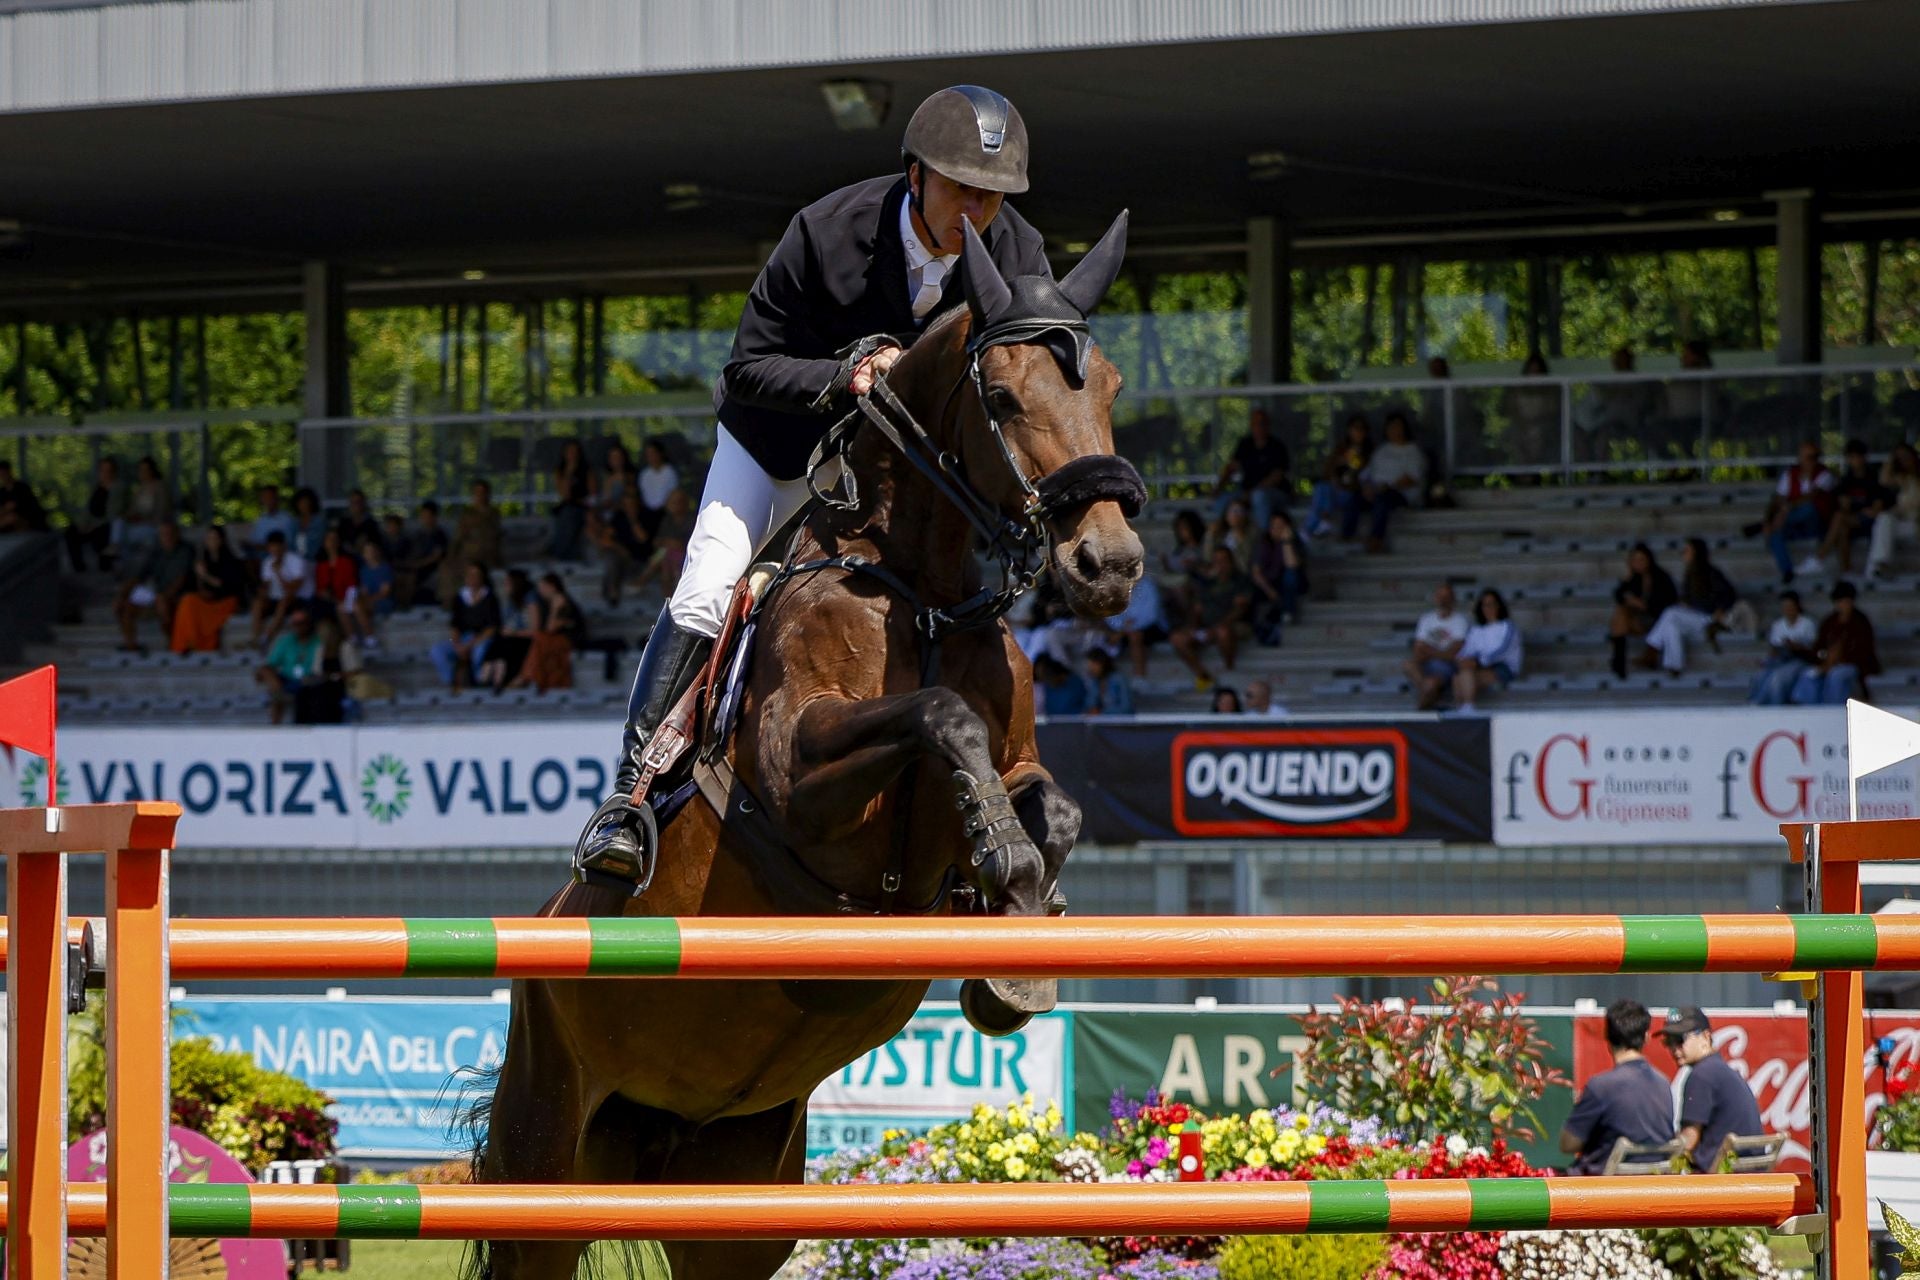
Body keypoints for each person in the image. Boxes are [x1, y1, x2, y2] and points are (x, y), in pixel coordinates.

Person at [576, 84, 1054, 883]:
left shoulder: (1017, 256)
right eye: (963, 187)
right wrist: (845, 374)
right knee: (704, 589)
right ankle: (629, 796)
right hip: (777, 450)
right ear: (915, 178)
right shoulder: (827, 233)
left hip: (900, 487)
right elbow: (746, 368)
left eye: (995, 194)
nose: (980, 209)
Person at [1560, 999, 1675, 1175]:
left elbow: (1568, 1144)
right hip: (1654, 1185)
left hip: (1604, 1190)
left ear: (1608, 1038)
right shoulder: (1664, 1083)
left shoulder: (1601, 1086)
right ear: (1646, 1037)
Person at [1662, 1007, 1765, 1174]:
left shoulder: (1702, 1075)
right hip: (1749, 1181)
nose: (1674, 1048)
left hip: (1720, 1186)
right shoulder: (1721, 1070)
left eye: (1679, 1039)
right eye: (1668, 1042)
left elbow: (1688, 1140)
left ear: (1705, 1037)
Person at [1640, 538, 1738, 674]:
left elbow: (1730, 594)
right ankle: (1674, 666)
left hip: (1709, 618)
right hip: (1696, 617)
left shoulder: (1710, 572)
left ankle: (1652, 648)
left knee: (1670, 613)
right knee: (1671, 625)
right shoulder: (1690, 573)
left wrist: (1720, 609)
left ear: (1696, 553)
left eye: (1686, 550)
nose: (1683, 553)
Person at [1170, 546, 1254, 691]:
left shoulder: (1241, 580)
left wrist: (1217, 627)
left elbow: (1240, 609)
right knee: (1177, 638)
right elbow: (1197, 609)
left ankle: (1229, 670)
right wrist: (1194, 628)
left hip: (1235, 626)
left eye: (1223, 560)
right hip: (1208, 627)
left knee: (1223, 632)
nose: (1220, 564)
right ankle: (1203, 676)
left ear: (1231, 562)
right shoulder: (1208, 583)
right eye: (1216, 561)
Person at [1790, 581, 1879, 705]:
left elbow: (1865, 651)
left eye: (1846, 602)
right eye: (1840, 602)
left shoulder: (1861, 622)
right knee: (1809, 675)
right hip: (1827, 663)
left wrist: (1839, 660)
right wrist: (1823, 660)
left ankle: (1831, 709)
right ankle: (1809, 711)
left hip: (1853, 665)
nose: (1843, 605)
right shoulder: (1829, 622)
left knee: (1836, 676)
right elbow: (1819, 648)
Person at [1759, 439, 1836, 584]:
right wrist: (1769, 519)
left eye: (1815, 457)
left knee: (1810, 508)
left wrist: (1785, 511)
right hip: (1792, 525)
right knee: (1775, 535)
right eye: (1808, 457)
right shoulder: (1790, 474)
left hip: (1816, 524)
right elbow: (1778, 498)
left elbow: (1812, 496)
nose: (1811, 461)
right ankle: (1787, 571)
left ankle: (1777, 524)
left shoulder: (1825, 474)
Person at [112, 520, 193, 652]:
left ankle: (175, 643)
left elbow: (181, 579)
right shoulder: (156, 552)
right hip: (158, 594)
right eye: (163, 534)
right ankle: (131, 645)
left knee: (164, 606)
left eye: (169, 534)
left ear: (177, 534)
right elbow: (139, 576)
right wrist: (122, 594)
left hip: (180, 594)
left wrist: (164, 597)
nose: (166, 537)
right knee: (124, 605)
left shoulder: (186, 551)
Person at [1351, 411, 1426, 551]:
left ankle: (1376, 539)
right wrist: (1367, 487)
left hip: (1400, 494)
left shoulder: (1412, 451)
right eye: (1391, 427)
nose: (1394, 430)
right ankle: (1347, 537)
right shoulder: (1381, 451)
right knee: (1355, 499)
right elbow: (1367, 474)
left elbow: (1411, 479)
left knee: (1383, 500)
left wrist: (1386, 487)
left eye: (1398, 427)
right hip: (1376, 490)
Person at [1814, 439, 1889, 575]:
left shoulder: (1874, 478)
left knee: (1839, 518)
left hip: (1871, 521)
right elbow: (1844, 506)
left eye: (1856, 457)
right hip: (1852, 521)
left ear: (1863, 457)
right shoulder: (1846, 480)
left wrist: (1861, 511)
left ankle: (1820, 557)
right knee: (1841, 527)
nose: (1854, 461)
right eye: (1850, 457)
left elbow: (1877, 508)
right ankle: (1846, 570)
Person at [171, 525, 248, 654]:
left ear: (222, 540)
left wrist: (205, 576)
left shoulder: (231, 560)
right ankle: (186, 644)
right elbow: (192, 586)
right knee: (187, 601)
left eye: (215, 538)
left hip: (225, 602)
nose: (212, 541)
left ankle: (203, 646)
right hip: (206, 602)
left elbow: (228, 586)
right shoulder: (202, 560)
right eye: (209, 538)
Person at [1211, 408, 1290, 533]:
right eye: (1255, 423)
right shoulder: (1245, 444)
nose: (1259, 427)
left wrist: (1252, 493)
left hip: (1275, 493)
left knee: (1259, 497)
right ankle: (1218, 536)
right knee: (1224, 500)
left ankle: (1263, 539)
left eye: (1262, 423)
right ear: (1251, 425)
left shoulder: (1277, 446)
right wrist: (1218, 487)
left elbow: (1277, 476)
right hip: (1246, 491)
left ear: (1268, 425)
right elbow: (1231, 467)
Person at [1608, 543, 1678, 679]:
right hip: (1640, 620)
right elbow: (1618, 595)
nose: (1638, 563)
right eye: (1634, 560)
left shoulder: (1661, 577)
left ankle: (1624, 660)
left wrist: (1644, 605)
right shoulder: (1633, 579)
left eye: (1641, 559)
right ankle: (1619, 660)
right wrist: (1627, 584)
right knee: (1620, 613)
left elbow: (1669, 603)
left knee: (1622, 614)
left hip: (1659, 621)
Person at [431, 562, 501, 690]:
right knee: (437, 651)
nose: (472, 578)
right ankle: (451, 681)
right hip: (463, 639)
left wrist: (470, 645)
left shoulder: (490, 598)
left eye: (476, 575)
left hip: (481, 639)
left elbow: (492, 628)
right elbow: (455, 626)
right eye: (469, 575)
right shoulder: (460, 598)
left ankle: (479, 682)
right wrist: (457, 644)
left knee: (480, 651)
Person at [1452, 588, 1522, 714]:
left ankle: (1468, 707)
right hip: (1479, 665)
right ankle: (1461, 709)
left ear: (1498, 606)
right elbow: (1467, 649)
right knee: (1459, 677)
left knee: (1467, 675)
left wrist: (1479, 661)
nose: (1488, 608)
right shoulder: (1477, 630)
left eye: (1491, 604)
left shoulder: (1507, 626)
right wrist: (1462, 659)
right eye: (1485, 605)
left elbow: (1502, 650)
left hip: (1502, 667)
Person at [255, 605, 326, 726]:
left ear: (308, 624)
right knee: (265, 671)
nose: (298, 627)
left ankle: (279, 695)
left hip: (309, 680)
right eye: (295, 623)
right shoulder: (286, 641)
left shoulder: (318, 641)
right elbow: (271, 664)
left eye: (301, 623)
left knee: (312, 684)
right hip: (287, 680)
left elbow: (321, 667)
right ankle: (276, 716)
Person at [514, 572, 585, 693]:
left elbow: (551, 628)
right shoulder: (548, 603)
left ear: (552, 587)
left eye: (542, 587)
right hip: (556, 638)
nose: (540, 591)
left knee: (540, 639)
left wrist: (554, 609)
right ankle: (528, 676)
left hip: (570, 639)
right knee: (540, 641)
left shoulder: (561, 601)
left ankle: (527, 677)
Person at [1404, 583, 1469, 711]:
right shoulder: (1426, 619)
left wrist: (1429, 650)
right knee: (1408, 665)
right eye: (1440, 596)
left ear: (1453, 599)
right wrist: (1441, 652)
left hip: (1447, 667)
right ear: (1435, 598)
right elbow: (1418, 649)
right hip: (1426, 665)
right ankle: (1432, 694)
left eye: (1446, 596)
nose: (1443, 600)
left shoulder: (1460, 621)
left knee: (1430, 684)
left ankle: (1419, 712)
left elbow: (1454, 652)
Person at [1748, 590, 1818, 706]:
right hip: (1781, 659)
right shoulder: (1778, 625)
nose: (1787, 609)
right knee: (1760, 676)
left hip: (1801, 661)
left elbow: (1812, 648)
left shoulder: (1807, 624)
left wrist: (1796, 646)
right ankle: (1756, 703)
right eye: (1784, 607)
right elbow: (1775, 648)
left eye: (1790, 606)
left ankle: (1776, 707)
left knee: (1777, 679)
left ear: (1797, 606)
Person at [441, 480, 503, 605]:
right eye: (477, 492)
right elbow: (458, 537)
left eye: (482, 492)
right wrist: (451, 555)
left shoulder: (493, 513)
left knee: (473, 570)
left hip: (485, 555)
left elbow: (495, 537)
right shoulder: (467, 514)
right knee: (447, 568)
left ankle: (473, 603)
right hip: (467, 554)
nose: (480, 495)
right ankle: (451, 603)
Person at [1308, 415, 1371, 538]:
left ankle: (1311, 528)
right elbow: (1326, 472)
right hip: (1334, 492)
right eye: (1355, 428)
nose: (1358, 432)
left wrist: (1356, 463)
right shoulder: (1341, 448)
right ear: (1349, 430)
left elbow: (1365, 479)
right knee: (1322, 487)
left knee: (1325, 491)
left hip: (1352, 495)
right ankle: (1322, 521)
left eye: (1361, 429)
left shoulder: (1369, 452)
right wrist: (1341, 461)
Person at [479, 569, 540, 692]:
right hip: (511, 638)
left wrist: (514, 633)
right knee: (497, 643)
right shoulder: (510, 600)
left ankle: (498, 682)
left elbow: (535, 631)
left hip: (524, 640)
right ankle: (485, 681)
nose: (505, 584)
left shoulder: (530, 599)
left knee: (505, 646)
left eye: (508, 582)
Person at [247, 530, 310, 648]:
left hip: (297, 600)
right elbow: (266, 586)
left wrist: (278, 572)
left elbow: (293, 589)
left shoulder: (296, 561)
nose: (274, 551)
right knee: (258, 603)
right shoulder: (267, 562)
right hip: (276, 599)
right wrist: (261, 592)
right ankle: (255, 637)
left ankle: (267, 637)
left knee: (284, 601)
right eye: (271, 548)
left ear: (284, 546)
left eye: (277, 547)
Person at [1251, 511, 1306, 644]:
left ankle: (1287, 612)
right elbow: (1256, 572)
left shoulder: (1295, 542)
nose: (1276, 529)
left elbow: (1292, 565)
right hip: (1269, 584)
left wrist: (1286, 541)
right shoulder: (1263, 544)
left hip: (1290, 583)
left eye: (1281, 526)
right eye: (1274, 526)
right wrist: (1269, 590)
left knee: (1290, 575)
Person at [1867, 442, 1920, 580]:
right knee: (1884, 518)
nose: (1904, 460)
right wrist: (1891, 460)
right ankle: (1880, 565)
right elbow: (1884, 480)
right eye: (1900, 458)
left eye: (1906, 456)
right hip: (1906, 523)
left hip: (1917, 523)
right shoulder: (1902, 478)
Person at [64, 457, 126, 572]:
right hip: (90, 524)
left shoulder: (118, 488)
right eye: (102, 470)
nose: (105, 474)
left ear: (113, 472)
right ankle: (79, 567)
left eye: (108, 471)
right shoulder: (96, 487)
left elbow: (113, 513)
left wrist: (93, 526)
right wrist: (83, 524)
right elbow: (88, 509)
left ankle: (106, 564)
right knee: (71, 532)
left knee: (101, 536)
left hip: (106, 525)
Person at [597, 486, 655, 605]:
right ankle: (613, 593)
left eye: (632, 504)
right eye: (626, 504)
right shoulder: (618, 517)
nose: (629, 507)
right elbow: (605, 540)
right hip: (620, 557)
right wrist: (620, 548)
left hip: (640, 560)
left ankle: (610, 589)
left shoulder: (647, 516)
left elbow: (643, 538)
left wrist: (633, 520)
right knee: (611, 559)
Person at [1104, 571, 1168, 678]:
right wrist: (1122, 627)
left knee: (1135, 635)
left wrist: (1126, 628)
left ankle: (1139, 676)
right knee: (1099, 634)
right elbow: (1109, 615)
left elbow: (1151, 616)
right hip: (1122, 630)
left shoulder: (1148, 586)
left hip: (1150, 628)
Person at [1504, 353, 1560, 467]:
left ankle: (1534, 471)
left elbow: (1553, 413)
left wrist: (1537, 423)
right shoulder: (1517, 390)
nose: (1534, 376)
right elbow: (1510, 410)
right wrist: (1523, 424)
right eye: (1531, 372)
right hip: (1521, 428)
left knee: (1538, 435)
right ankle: (1524, 473)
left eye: (1537, 372)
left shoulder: (1550, 392)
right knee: (1513, 436)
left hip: (1543, 429)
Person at [1159, 509, 1209, 621]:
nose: (1182, 531)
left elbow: (1208, 569)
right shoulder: (1178, 551)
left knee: (1181, 590)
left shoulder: (1204, 547)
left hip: (1200, 583)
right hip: (1178, 582)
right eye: (1179, 528)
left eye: (1185, 527)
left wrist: (1195, 566)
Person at [308, 526, 359, 636]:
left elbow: (352, 586)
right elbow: (320, 589)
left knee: (344, 609)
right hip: (326, 603)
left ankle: (353, 638)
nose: (331, 542)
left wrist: (346, 602)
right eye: (328, 539)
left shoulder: (346, 562)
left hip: (344, 601)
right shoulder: (321, 566)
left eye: (334, 539)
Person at [119, 456, 173, 556]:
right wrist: (127, 517)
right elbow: (132, 510)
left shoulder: (160, 487)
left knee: (124, 537)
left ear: (152, 470)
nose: (142, 473)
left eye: (145, 470)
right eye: (140, 470)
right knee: (118, 524)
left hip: (153, 526)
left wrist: (146, 520)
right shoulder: (139, 489)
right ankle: (116, 549)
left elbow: (162, 512)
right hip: (137, 524)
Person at [398, 500, 448, 607]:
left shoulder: (440, 535)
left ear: (434, 517)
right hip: (415, 567)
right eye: (423, 515)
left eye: (428, 515)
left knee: (411, 579)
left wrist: (418, 564)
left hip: (432, 570)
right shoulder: (418, 535)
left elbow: (436, 557)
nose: (424, 518)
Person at [352, 538, 396, 650]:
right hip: (369, 602)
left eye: (372, 550)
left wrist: (367, 600)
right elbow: (364, 591)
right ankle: (358, 637)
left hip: (384, 602)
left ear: (377, 552)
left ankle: (369, 637)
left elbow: (384, 593)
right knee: (352, 606)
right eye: (366, 551)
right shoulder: (364, 570)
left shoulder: (385, 568)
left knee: (358, 606)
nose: (369, 554)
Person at [550, 439, 590, 560]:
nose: (572, 454)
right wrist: (569, 472)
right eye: (569, 451)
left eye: (575, 451)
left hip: (583, 506)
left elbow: (592, 493)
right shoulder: (559, 471)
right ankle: (561, 554)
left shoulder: (587, 470)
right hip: (567, 506)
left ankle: (563, 555)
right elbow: (564, 494)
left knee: (570, 515)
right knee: (565, 515)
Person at [637, 438, 680, 539]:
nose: (651, 457)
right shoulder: (644, 475)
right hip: (647, 513)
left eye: (653, 453)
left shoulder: (669, 472)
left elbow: (673, 493)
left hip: (665, 513)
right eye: (648, 454)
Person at [243, 484, 297, 560]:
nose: (267, 500)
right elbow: (253, 540)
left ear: (276, 498)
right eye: (264, 497)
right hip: (258, 559)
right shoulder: (261, 519)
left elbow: (288, 545)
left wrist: (266, 547)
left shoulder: (286, 519)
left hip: (280, 560)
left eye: (270, 497)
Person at [1206, 497, 1257, 575]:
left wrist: (1240, 535)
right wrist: (1210, 535)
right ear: (1226, 515)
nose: (1235, 515)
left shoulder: (1253, 535)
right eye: (1232, 511)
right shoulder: (1221, 535)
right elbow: (1208, 558)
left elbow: (1245, 566)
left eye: (1239, 511)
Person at [1082, 648, 1133, 716]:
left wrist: (1102, 712)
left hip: (1121, 723)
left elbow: (1126, 708)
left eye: (1094, 665)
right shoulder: (1093, 681)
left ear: (1102, 663)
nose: (1091, 668)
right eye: (1090, 665)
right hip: (1102, 724)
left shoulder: (1119, 680)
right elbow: (1090, 706)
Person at [0, 461, 48, 533]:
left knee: (11, 518)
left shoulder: (22, 488)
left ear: (9, 472)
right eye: (1, 475)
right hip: (8, 524)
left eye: (4, 474)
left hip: (27, 521)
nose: (3, 477)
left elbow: (25, 506)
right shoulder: (2, 492)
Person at [336, 488, 383, 556]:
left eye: (358, 502)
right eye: (353, 502)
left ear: (363, 503)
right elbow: (339, 542)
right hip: (347, 558)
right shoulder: (343, 523)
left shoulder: (371, 524)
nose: (356, 505)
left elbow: (377, 544)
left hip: (366, 559)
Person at [288, 486, 327, 562]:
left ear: (311, 503)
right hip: (296, 562)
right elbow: (290, 543)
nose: (303, 505)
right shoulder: (294, 522)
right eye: (300, 502)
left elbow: (318, 544)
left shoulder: (319, 521)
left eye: (305, 502)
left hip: (315, 560)